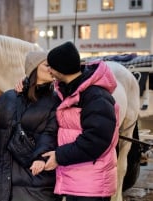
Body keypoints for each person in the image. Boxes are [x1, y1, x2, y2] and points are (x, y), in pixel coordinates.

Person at [0, 51, 62, 201]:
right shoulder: (7, 98)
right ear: (33, 68)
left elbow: (52, 134)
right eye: (47, 65)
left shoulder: (56, 101)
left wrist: (41, 158)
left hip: (39, 183)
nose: (51, 69)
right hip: (5, 183)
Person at [42, 41, 120, 201]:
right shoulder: (69, 91)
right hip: (79, 180)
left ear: (61, 68)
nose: (48, 70)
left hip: (92, 184)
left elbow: (95, 140)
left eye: (50, 66)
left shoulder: (95, 96)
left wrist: (59, 156)